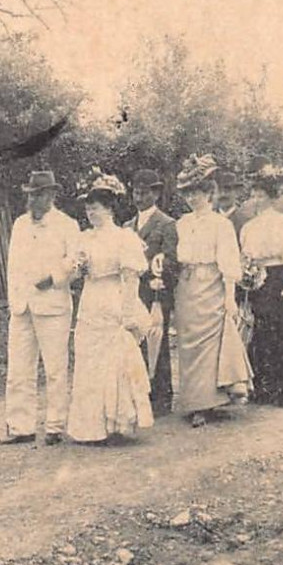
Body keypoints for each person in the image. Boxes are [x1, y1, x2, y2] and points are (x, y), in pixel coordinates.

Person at [66, 173, 154, 444]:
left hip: (114, 298)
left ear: (110, 208)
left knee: (113, 361)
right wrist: (76, 269)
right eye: (88, 208)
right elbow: (72, 276)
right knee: (89, 361)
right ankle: (91, 427)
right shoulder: (83, 238)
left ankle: (117, 423)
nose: (91, 213)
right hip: (91, 300)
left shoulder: (124, 238)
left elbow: (131, 277)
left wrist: (128, 313)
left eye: (97, 207)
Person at [172, 156, 253, 427]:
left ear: (209, 193)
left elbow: (229, 263)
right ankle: (191, 399)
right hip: (186, 285)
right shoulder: (182, 223)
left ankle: (204, 404)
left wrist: (229, 298)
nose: (193, 198)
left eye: (198, 193)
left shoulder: (221, 225)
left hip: (211, 285)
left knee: (207, 344)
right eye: (188, 193)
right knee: (188, 344)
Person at [2, 171, 80, 445]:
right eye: (31, 194)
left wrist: (55, 278)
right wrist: (14, 299)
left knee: (55, 368)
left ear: (52, 196)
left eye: (39, 194)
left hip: (53, 305)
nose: (33, 199)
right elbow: (13, 265)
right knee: (19, 368)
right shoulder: (20, 225)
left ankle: (55, 425)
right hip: (22, 307)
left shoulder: (67, 225)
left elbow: (76, 262)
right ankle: (20, 426)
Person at [239, 170, 283, 406]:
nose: (255, 200)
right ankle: (263, 387)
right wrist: (247, 275)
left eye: (260, 195)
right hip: (258, 280)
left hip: (279, 277)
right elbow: (245, 255)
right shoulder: (248, 227)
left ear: (271, 197)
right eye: (253, 195)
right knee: (261, 332)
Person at [128, 169, 177, 416]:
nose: (139, 198)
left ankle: (161, 397)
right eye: (136, 192)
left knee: (158, 340)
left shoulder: (166, 224)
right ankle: (140, 395)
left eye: (144, 193)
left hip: (156, 292)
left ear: (155, 194)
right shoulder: (128, 226)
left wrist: (158, 269)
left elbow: (171, 259)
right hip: (134, 292)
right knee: (135, 342)